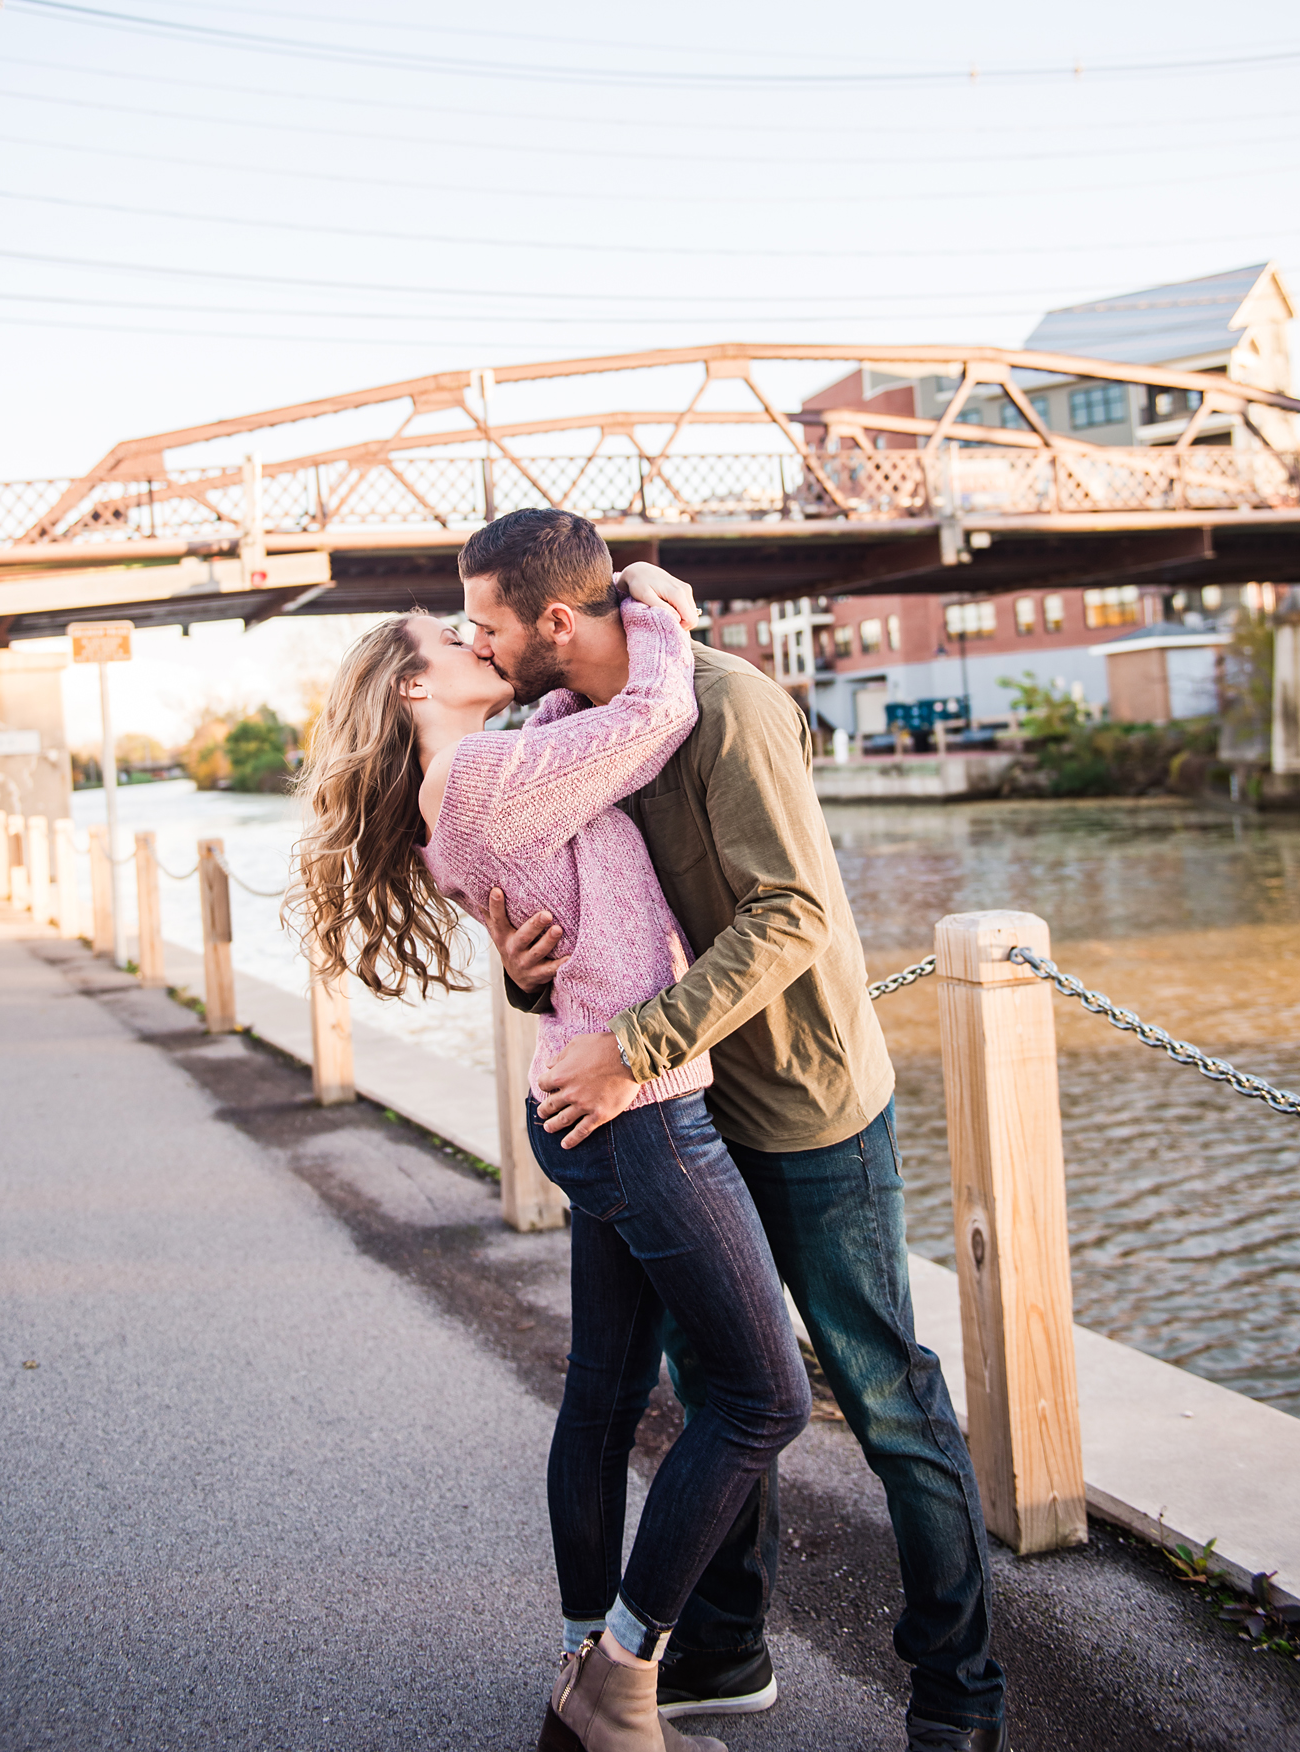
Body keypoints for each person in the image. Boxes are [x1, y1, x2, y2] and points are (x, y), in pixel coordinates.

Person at [463, 511, 1009, 1752]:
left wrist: (635, 1045)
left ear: (556, 619)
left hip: (806, 1105)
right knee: (715, 1385)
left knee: (882, 1399)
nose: (476, 643)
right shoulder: (570, 739)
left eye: (489, 620)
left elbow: (792, 913)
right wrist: (523, 970)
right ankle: (723, 1651)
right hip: (679, 1112)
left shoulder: (730, 707)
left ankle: (958, 1699)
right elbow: (583, 938)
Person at [287, 555, 811, 1752]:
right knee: (762, 1396)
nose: (479, 640)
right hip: (637, 1108)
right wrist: (654, 612)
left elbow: (581, 726)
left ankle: (587, 1657)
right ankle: (624, 1666)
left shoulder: (471, 781)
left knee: (602, 1390)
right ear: (415, 694)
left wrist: (608, 629)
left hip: (587, 1098)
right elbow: (657, 712)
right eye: (450, 637)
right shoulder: (474, 779)